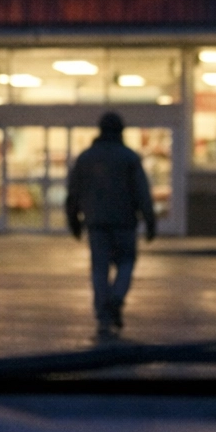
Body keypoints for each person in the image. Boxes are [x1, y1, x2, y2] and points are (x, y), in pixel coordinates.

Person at [66, 111, 157, 335]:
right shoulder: (129, 158)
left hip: (96, 223)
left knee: (99, 268)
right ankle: (116, 299)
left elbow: (73, 193)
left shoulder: (86, 158)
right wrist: (150, 221)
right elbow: (142, 193)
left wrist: (74, 221)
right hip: (125, 223)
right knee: (126, 263)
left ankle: (103, 314)